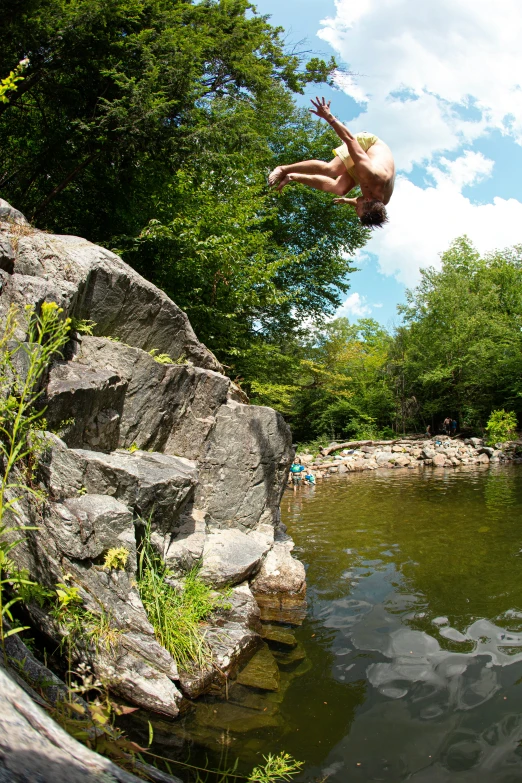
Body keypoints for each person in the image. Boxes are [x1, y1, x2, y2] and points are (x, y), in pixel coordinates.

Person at [268, 97, 395, 228]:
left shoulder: (378, 202)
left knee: (340, 189)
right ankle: (283, 169)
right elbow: (350, 140)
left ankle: (292, 176)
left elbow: (358, 202)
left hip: (364, 168)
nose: (355, 209)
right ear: (367, 200)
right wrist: (328, 116)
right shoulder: (371, 174)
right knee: (332, 169)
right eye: (358, 210)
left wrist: (345, 200)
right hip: (367, 145)